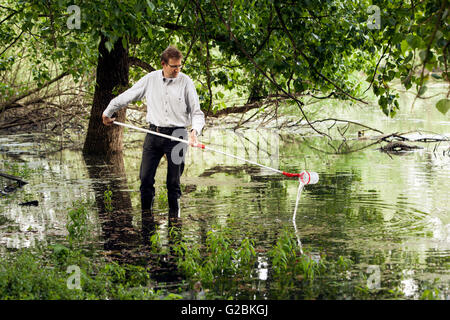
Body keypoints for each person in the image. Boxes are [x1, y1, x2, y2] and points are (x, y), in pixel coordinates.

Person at [102, 45, 205, 226]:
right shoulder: (150, 79)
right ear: (163, 64)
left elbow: (197, 113)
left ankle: (175, 227)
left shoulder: (186, 82)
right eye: (174, 67)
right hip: (154, 133)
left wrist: (194, 132)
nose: (177, 70)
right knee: (145, 179)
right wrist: (108, 111)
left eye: (180, 66)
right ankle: (147, 223)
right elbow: (129, 95)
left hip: (179, 136)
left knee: (173, 183)